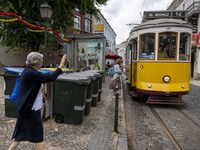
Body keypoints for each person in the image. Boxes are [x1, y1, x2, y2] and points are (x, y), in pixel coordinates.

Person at [8, 52, 67, 150]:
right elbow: (50, 78)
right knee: (38, 135)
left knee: (20, 135)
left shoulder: (29, 71)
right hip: (30, 110)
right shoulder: (32, 73)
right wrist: (61, 65)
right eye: (41, 62)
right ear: (36, 63)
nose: (42, 63)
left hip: (27, 109)